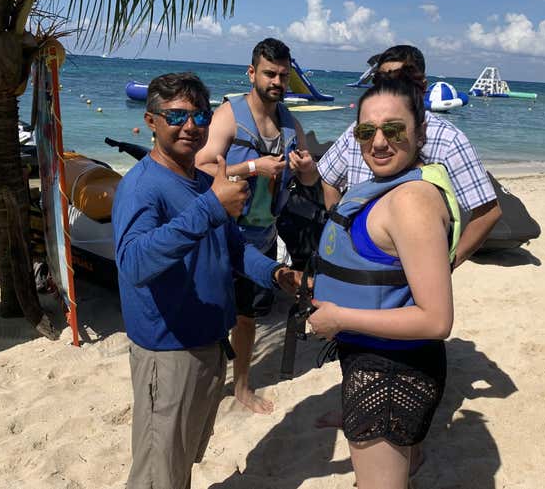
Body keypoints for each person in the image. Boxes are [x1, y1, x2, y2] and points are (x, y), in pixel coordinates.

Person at [112, 72, 300, 489]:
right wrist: (212, 206)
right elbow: (135, 263)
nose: (191, 126)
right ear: (151, 121)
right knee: (158, 472)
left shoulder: (201, 182)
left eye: (199, 116)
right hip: (169, 353)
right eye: (176, 116)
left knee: (181, 461)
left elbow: (233, 249)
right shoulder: (142, 187)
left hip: (208, 348)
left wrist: (276, 273)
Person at [308, 70, 460, 489]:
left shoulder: (411, 202)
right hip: (378, 364)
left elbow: (436, 321)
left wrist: (339, 318)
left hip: (391, 374)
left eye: (394, 129)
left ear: (421, 132)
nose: (378, 142)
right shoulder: (384, 186)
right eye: (366, 131)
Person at [195, 38, 318, 414]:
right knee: (209, 314)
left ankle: (242, 386)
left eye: (283, 74)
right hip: (221, 235)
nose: (277, 81)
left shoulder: (290, 125)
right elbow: (200, 168)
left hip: (263, 235)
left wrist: (306, 170)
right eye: (270, 73)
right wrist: (253, 167)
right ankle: (203, 385)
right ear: (252, 73)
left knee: (247, 318)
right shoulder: (230, 116)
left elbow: (311, 183)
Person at [317, 45, 500, 269]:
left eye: (400, 80)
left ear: (422, 87)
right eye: (383, 82)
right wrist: (341, 233)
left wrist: (447, 263)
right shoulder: (358, 130)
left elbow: (488, 212)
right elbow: (328, 178)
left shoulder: (448, 139)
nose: (379, 142)